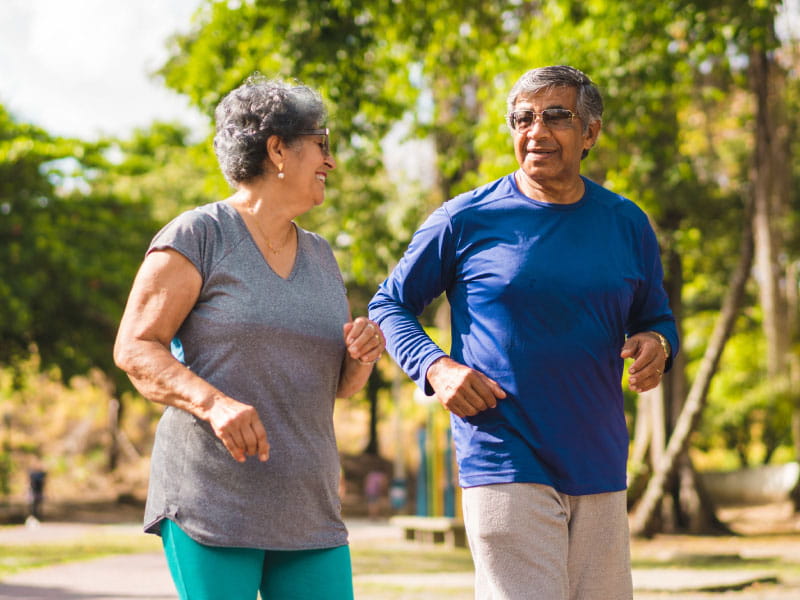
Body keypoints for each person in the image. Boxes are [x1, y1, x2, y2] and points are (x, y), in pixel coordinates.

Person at [368, 65, 678, 600]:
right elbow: (389, 303)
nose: (536, 132)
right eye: (522, 119)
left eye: (556, 116)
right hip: (502, 451)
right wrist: (435, 366)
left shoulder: (626, 223)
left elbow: (654, 315)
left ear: (591, 133)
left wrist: (658, 343)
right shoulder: (464, 219)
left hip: (600, 459)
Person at [113, 74, 385, 600]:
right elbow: (135, 347)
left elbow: (338, 386)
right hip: (214, 499)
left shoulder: (323, 256)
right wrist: (213, 404)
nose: (331, 162)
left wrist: (361, 357)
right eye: (321, 145)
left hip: (309, 507)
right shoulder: (198, 235)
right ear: (278, 148)